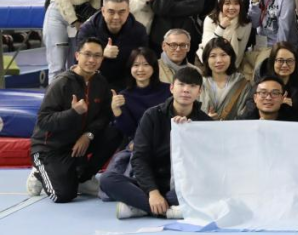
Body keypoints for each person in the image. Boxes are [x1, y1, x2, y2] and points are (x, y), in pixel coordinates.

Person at [102, 65, 210, 219]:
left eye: (192, 86)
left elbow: (207, 164)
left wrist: (189, 134)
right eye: (181, 84)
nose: (186, 90)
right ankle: (169, 211)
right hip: (153, 180)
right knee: (108, 180)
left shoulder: (205, 122)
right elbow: (139, 157)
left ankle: (141, 208)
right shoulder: (152, 115)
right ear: (172, 88)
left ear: (199, 91)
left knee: (207, 189)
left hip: (184, 185)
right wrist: (153, 192)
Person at [27, 37, 124, 202]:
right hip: (51, 148)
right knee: (63, 195)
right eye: (87, 54)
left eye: (97, 56)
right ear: (77, 55)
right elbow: (43, 120)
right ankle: (39, 172)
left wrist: (88, 134)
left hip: (78, 142)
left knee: (114, 132)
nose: (92, 60)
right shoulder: (61, 83)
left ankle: (83, 177)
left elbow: (104, 115)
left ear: (102, 58)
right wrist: (73, 113)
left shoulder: (100, 82)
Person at [75, 0, 149, 91]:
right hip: (94, 83)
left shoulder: (139, 31)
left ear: (128, 11)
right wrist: (101, 54)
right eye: (111, 12)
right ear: (103, 11)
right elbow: (78, 62)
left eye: (121, 12)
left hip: (127, 85)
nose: (116, 17)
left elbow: (144, 61)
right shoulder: (87, 30)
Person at [110, 48, 171, 143]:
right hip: (139, 143)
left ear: (154, 67)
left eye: (146, 64)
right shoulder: (124, 96)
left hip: (166, 141)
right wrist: (116, 110)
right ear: (130, 68)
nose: (141, 69)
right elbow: (128, 131)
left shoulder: (168, 90)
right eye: (136, 65)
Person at [250, 0, 298, 72]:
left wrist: (277, 54)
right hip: (261, 46)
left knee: (259, 71)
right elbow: (254, 23)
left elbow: (284, 29)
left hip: (282, 47)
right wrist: (255, 2)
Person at [243, 43, 298, 120]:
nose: (284, 65)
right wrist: (275, 105)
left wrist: (286, 109)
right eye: (280, 60)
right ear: (272, 61)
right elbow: (250, 107)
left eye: (290, 61)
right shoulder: (262, 82)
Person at [201, 0, 254, 78]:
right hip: (207, 62)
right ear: (220, 5)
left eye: (236, 3)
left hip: (232, 65)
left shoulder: (245, 24)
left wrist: (230, 70)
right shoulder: (210, 19)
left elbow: (240, 51)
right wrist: (221, 27)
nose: (232, 7)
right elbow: (207, 46)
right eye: (227, 3)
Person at [199, 37, 252, 121]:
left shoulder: (242, 84)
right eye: (213, 56)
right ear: (206, 60)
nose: (219, 60)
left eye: (223, 55)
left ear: (231, 57)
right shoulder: (199, 83)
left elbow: (245, 116)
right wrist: (205, 118)